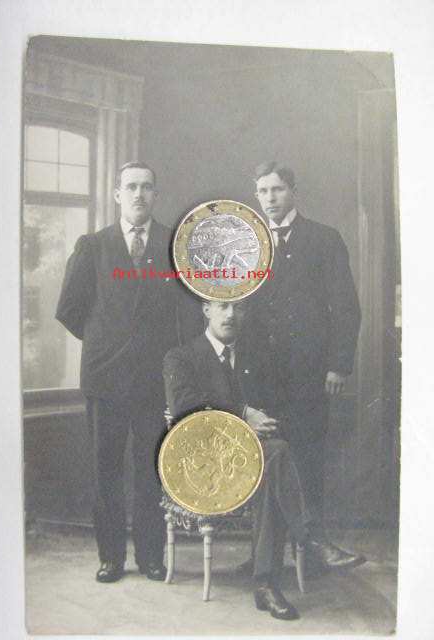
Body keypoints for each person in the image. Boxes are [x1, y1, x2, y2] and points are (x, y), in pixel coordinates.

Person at [164, 299, 338, 621]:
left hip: (258, 460)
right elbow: (185, 408)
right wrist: (243, 414)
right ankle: (307, 538)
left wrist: (266, 424)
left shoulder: (257, 359)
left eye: (239, 308)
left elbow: (276, 408)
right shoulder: (181, 357)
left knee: (274, 459)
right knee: (276, 457)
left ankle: (266, 582)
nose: (231, 315)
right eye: (223, 306)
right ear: (206, 309)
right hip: (207, 464)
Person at [56, 162, 178, 584]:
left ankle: (150, 557)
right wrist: (106, 341)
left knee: (151, 470)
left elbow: (185, 313)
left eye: (147, 186)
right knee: (105, 470)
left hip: (153, 380)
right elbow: (68, 309)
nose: (139, 194)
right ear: (117, 195)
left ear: (155, 195)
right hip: (105, 379)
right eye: (131, 187)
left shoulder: (172, 244)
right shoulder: (93, 246)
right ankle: (111, 557)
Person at [250, 160, 365, 571]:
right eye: (263, 191)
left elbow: (346, 307)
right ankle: (264, 555)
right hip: (261, 375)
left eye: (277, 189)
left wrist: (338, 365)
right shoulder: (248, 241)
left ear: (293, 191)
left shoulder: (323, 239)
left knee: (307, 457)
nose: (270, 198)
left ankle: (313, 545)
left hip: (310, 373)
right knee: (267, 457)